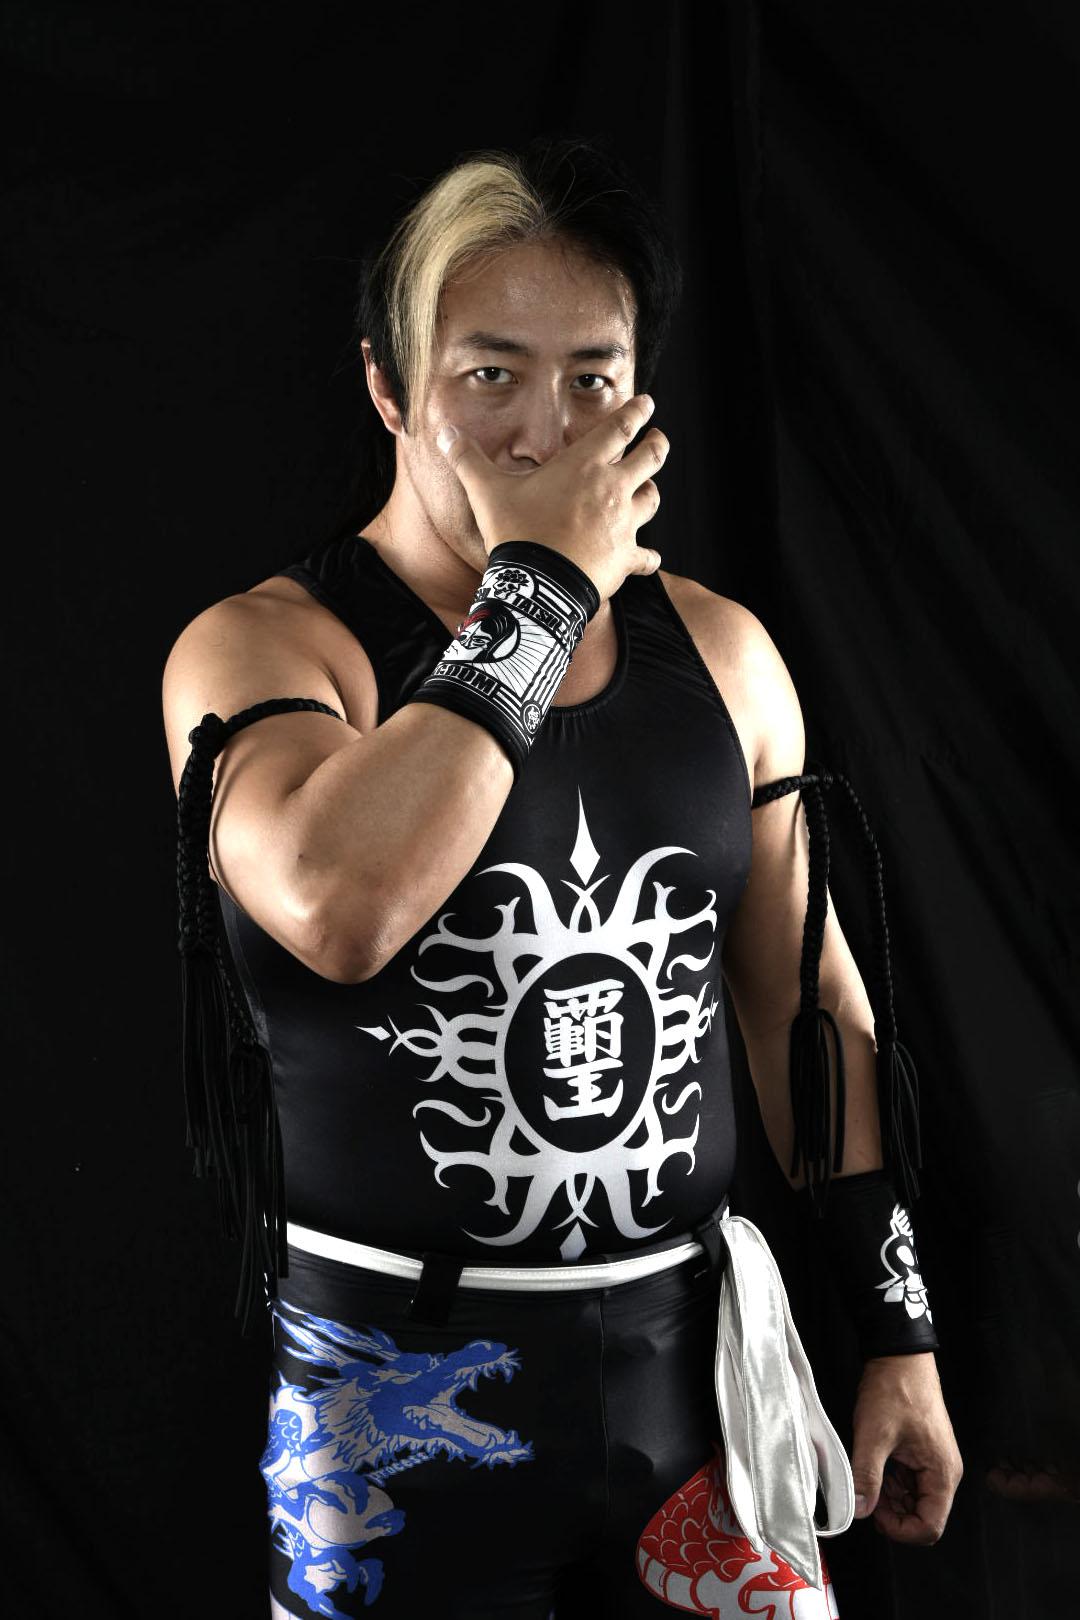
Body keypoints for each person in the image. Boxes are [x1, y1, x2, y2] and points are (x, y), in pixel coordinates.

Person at [163, 136, 963, 1618]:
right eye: (490, 376)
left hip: (693, 1378)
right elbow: (343, 905)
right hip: (393, 1403)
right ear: (388, 387)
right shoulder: (271, 648)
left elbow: (804, 1011)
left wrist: (896, 1331)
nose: (547, 431)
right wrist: (540, 591)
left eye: (595, 379)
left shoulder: (721, 653)